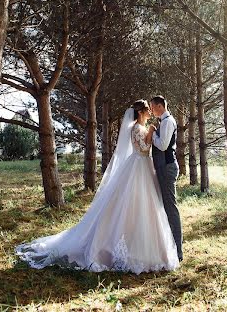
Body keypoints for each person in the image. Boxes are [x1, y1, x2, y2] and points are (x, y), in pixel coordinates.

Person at [15, 99, 179, 274]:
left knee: (146, 207)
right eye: (148, 110)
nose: (150, 112)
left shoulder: (144, 127)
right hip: (139, 167)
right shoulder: (137, 129)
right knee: (133, 205)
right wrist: (152, 131)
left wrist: (151, 131)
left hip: (144, 167)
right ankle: (132, 249)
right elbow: (145, 147)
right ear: (140, 113)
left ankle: (148, 246)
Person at [149, 95, 183, 262]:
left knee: (171, 208)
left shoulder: (168, 122)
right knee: (166, 207)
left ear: (160, 106)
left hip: (168, 168)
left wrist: (153, 134)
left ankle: (178, 251)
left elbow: (163, 145)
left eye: (153, 107)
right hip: (163, 168)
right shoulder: (163, 121)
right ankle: (169, 247)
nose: (151, 110)